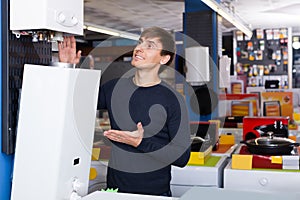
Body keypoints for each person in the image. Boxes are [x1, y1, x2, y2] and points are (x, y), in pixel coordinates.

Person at [58, 27, 191, 197]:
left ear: (164, 58)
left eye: (149, 46)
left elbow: (182, 157)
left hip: (153, 194)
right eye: (140, 42)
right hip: (115, 191)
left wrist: (140, 142)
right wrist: (68, 67)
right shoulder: (113, 88)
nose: (139, 48)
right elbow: (73, 103)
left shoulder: (173, 99)